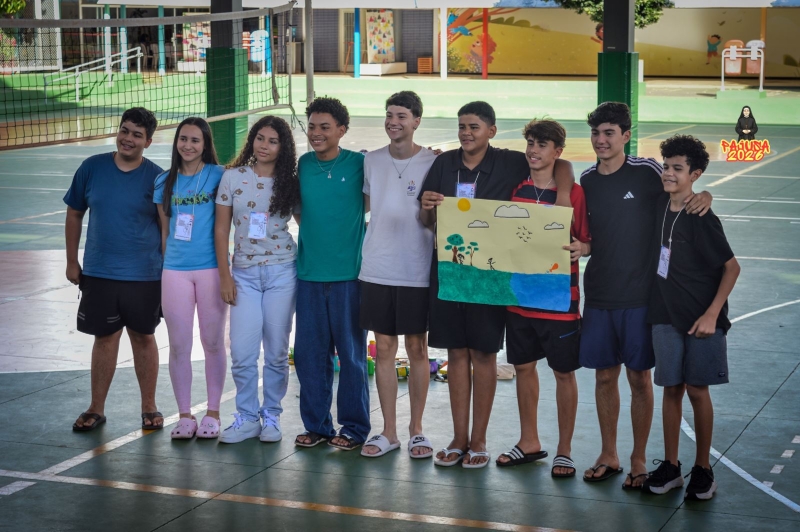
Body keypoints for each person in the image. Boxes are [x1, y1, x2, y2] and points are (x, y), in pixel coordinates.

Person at [419, 101, 574, 468]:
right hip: (451, 274)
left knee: (484, 354)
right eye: (461, 126)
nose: (466, 133)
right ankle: (458, 438)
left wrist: (565, 194)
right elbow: (427, 221)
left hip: (490, 278)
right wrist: (427, 207)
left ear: (491, 131)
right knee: (456, 353)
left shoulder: (510, 162)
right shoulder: (443, 164)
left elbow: (561, 163)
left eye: (474, 126)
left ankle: (479, 441)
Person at [579, 102, 712, 489]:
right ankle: (609, 453)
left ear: (625, 135)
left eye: (609, 133)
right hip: (599, 295)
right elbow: (589, 234)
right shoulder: (587, 180)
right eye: (596, 133)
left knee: (640, 378)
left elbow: (680, 189)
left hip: (641, 298)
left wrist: (705, 194)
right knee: (605, 377)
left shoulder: (648, 171)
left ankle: (638, 458)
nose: (601, 140)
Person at [642, 135, 739, 501]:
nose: (668, 173)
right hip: (665, 314)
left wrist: (712, 315)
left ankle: (703, 468)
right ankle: (671, 466)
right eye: (666, 166)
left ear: (695, 174)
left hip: (702, 319)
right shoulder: (659, 204)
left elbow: (732, 268)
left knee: (697, 390)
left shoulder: (702, 217)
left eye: (678, 169)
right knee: (672, 388)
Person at [498, 119, 589, 478]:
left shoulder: (574, 194)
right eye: (531, 143)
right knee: (523, 368)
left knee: (563, 373)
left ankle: (564, 450)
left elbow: (586, 240)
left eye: (542, 145)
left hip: (559, 303)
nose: (533, 151)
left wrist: (583, 247)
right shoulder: (515, 188)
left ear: (557, 152)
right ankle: (529, 441)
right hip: (519, 299)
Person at [65, 107, 165, 431]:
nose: (128, 139)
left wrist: (169, 272)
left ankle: (149, 407)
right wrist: (71, 261)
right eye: (124, 130)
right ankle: (96, 408)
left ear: (148, 142)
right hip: (99, 273)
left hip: (145, 275)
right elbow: (74, 213)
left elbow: (166, 229)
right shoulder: (91, 168)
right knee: (105, 338)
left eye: (137, 134)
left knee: (143, 337)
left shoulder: (157, 178)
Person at [359, 91, 438, 459]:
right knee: (385, 349)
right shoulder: (371, 161)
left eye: (402, 116)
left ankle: (416, 430)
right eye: (389, 115)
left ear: (416, 121)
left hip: (416, 269)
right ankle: (388, 431)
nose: (393, 121)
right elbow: (364, 205)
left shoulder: (433, 162)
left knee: (417, 349)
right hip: (377, 268)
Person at [214, 116, 301, 444]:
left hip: (282, 273)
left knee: (277, 351)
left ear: (283, 147)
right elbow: (221, 229)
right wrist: (226, 276)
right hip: (244, 276)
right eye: (260, 138)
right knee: (242, 351)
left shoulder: (290, 182)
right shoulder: (232, 177)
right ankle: (248, 417)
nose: (264, 146)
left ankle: (272, 416)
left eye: (273, 141)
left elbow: (308, 221)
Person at [293, 97, 370, 451]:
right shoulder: (304, 164)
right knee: (309, 356)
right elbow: (299, 211)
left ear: (342, 130)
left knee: (351, 357)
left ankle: (353, 428)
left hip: (349, 278)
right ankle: (318, 426)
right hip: (309, 276)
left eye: (325, 127)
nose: (316, 133)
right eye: (312, 126)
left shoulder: (360, 164)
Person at [154, 117, 226, 440]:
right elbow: (165, 231)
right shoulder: (163, 181)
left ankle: (213, 412)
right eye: (183, 139)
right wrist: (168, 266)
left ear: (205, 144)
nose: (188, 145)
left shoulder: (219, 176)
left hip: (211, 269)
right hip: (175, 272)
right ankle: (185, 415)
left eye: (195, 140)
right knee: (179, 345)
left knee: (212, 342)